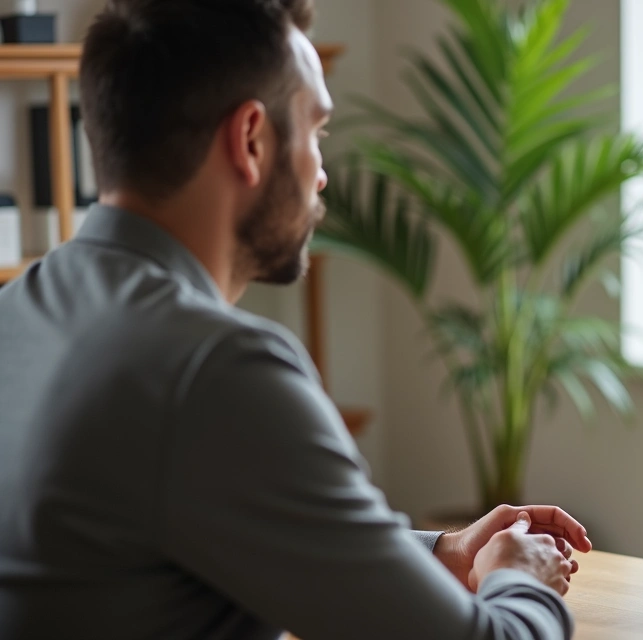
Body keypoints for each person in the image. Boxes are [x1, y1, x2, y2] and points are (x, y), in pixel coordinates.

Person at [0, 1, 589, 638]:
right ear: (251, 139)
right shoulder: (216, 370)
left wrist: (442, 554)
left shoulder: (23, 311)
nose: (323, 173)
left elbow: (191, 533)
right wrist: (519, 576)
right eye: (316, 132)